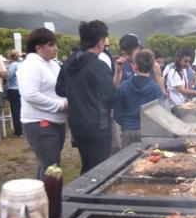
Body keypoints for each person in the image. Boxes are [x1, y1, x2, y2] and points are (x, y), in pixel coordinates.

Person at [57, 20, 116, 174]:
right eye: (104, 40)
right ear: (100, 42)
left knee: (87, 164)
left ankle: (82, 195)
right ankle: (91, 198)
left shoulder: (68, 63)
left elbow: (60, 89)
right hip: (98, 124)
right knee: (99, 169)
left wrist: (78, 95)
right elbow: (111, 97)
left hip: (77, 123)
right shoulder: (99, 66)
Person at [18, 28, 68, 178]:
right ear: (38, 47)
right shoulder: (30, 65)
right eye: (51, 45)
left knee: (49, 165)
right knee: (51, 169)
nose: (55, 49)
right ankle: (49, 199)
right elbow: (29, 94)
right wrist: (61, 105)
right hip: (39, 123)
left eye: (55, 44)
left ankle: (43, 198)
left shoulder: (52, 64)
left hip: (56, 121)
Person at [114, 50, 164, 148]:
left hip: (128, 130)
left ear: (135, 66)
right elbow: (160, 114)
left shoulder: (124, 86)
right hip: (148, 131)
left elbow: (117, 113)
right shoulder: (156, 89)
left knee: (127, 160)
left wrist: (126, 123)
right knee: (146, 161)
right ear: (151, 68)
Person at [5, 51, 23, 137]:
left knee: (15, 111)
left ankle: (18, 131)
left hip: (13, 89)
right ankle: (22, 129)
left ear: (11, 57)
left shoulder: (13, 65)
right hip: (21, 89)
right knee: (20, 109)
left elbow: (8, 77)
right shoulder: (21, 64)